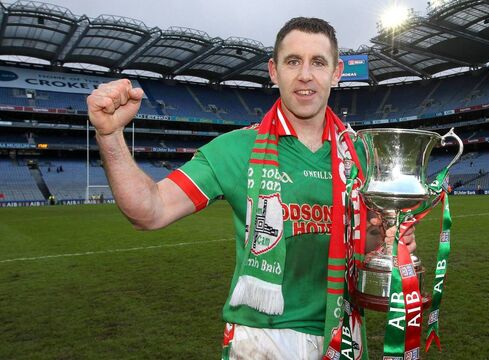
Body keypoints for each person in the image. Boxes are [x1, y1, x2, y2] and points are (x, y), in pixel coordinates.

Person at [87, 17, 416, 359]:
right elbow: (149, 210)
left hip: (344, 334)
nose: (305, 75)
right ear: (274, 71)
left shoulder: (363, 154)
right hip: (262, 341)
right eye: (293, 61)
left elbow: (367, 240)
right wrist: (109, 135)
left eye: (318, 62)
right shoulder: (235, 149)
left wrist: (391, 243)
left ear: (336, 72)